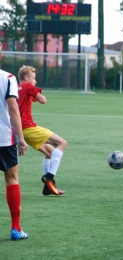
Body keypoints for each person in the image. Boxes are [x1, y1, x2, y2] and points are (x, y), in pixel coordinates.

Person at [17, 65, 67, 196]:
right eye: (33, 78)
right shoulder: (28, 86)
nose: (35, 82)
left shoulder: (15, 88)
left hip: (20, 130)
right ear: (26, 78)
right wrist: (38, 95)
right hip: (29, 127)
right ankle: (49, 177)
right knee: (62, 143)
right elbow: (42, 100)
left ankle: (48, 187)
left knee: (50, 152)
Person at [0, 42, 29, 240]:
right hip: (4, 137)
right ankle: (16, 229)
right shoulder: (8, 78)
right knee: (11, 179)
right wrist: (22, 138)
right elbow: (13, 108)